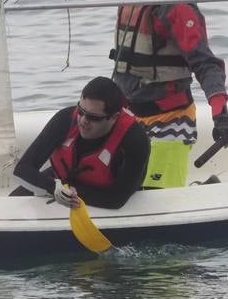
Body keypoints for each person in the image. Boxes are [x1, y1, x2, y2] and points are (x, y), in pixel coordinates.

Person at [110, 0, 228, 188]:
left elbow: (206, 63)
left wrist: (220, 114)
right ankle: (203, 187)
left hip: (169, 123)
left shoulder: (176, 4)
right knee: (121, 189)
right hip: (130, 118)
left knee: (155, 198)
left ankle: (205, 191)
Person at [12, 76, 150, 210]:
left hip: (103, 192)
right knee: (10, 204)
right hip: (61, 184)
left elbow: (116, 199)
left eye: (93, 117)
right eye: (81, 111)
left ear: (114, 117)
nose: (83, 120)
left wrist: (70, 193)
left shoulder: (135, 139)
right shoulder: (65, 119)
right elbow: (23, 168)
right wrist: (54, 188)